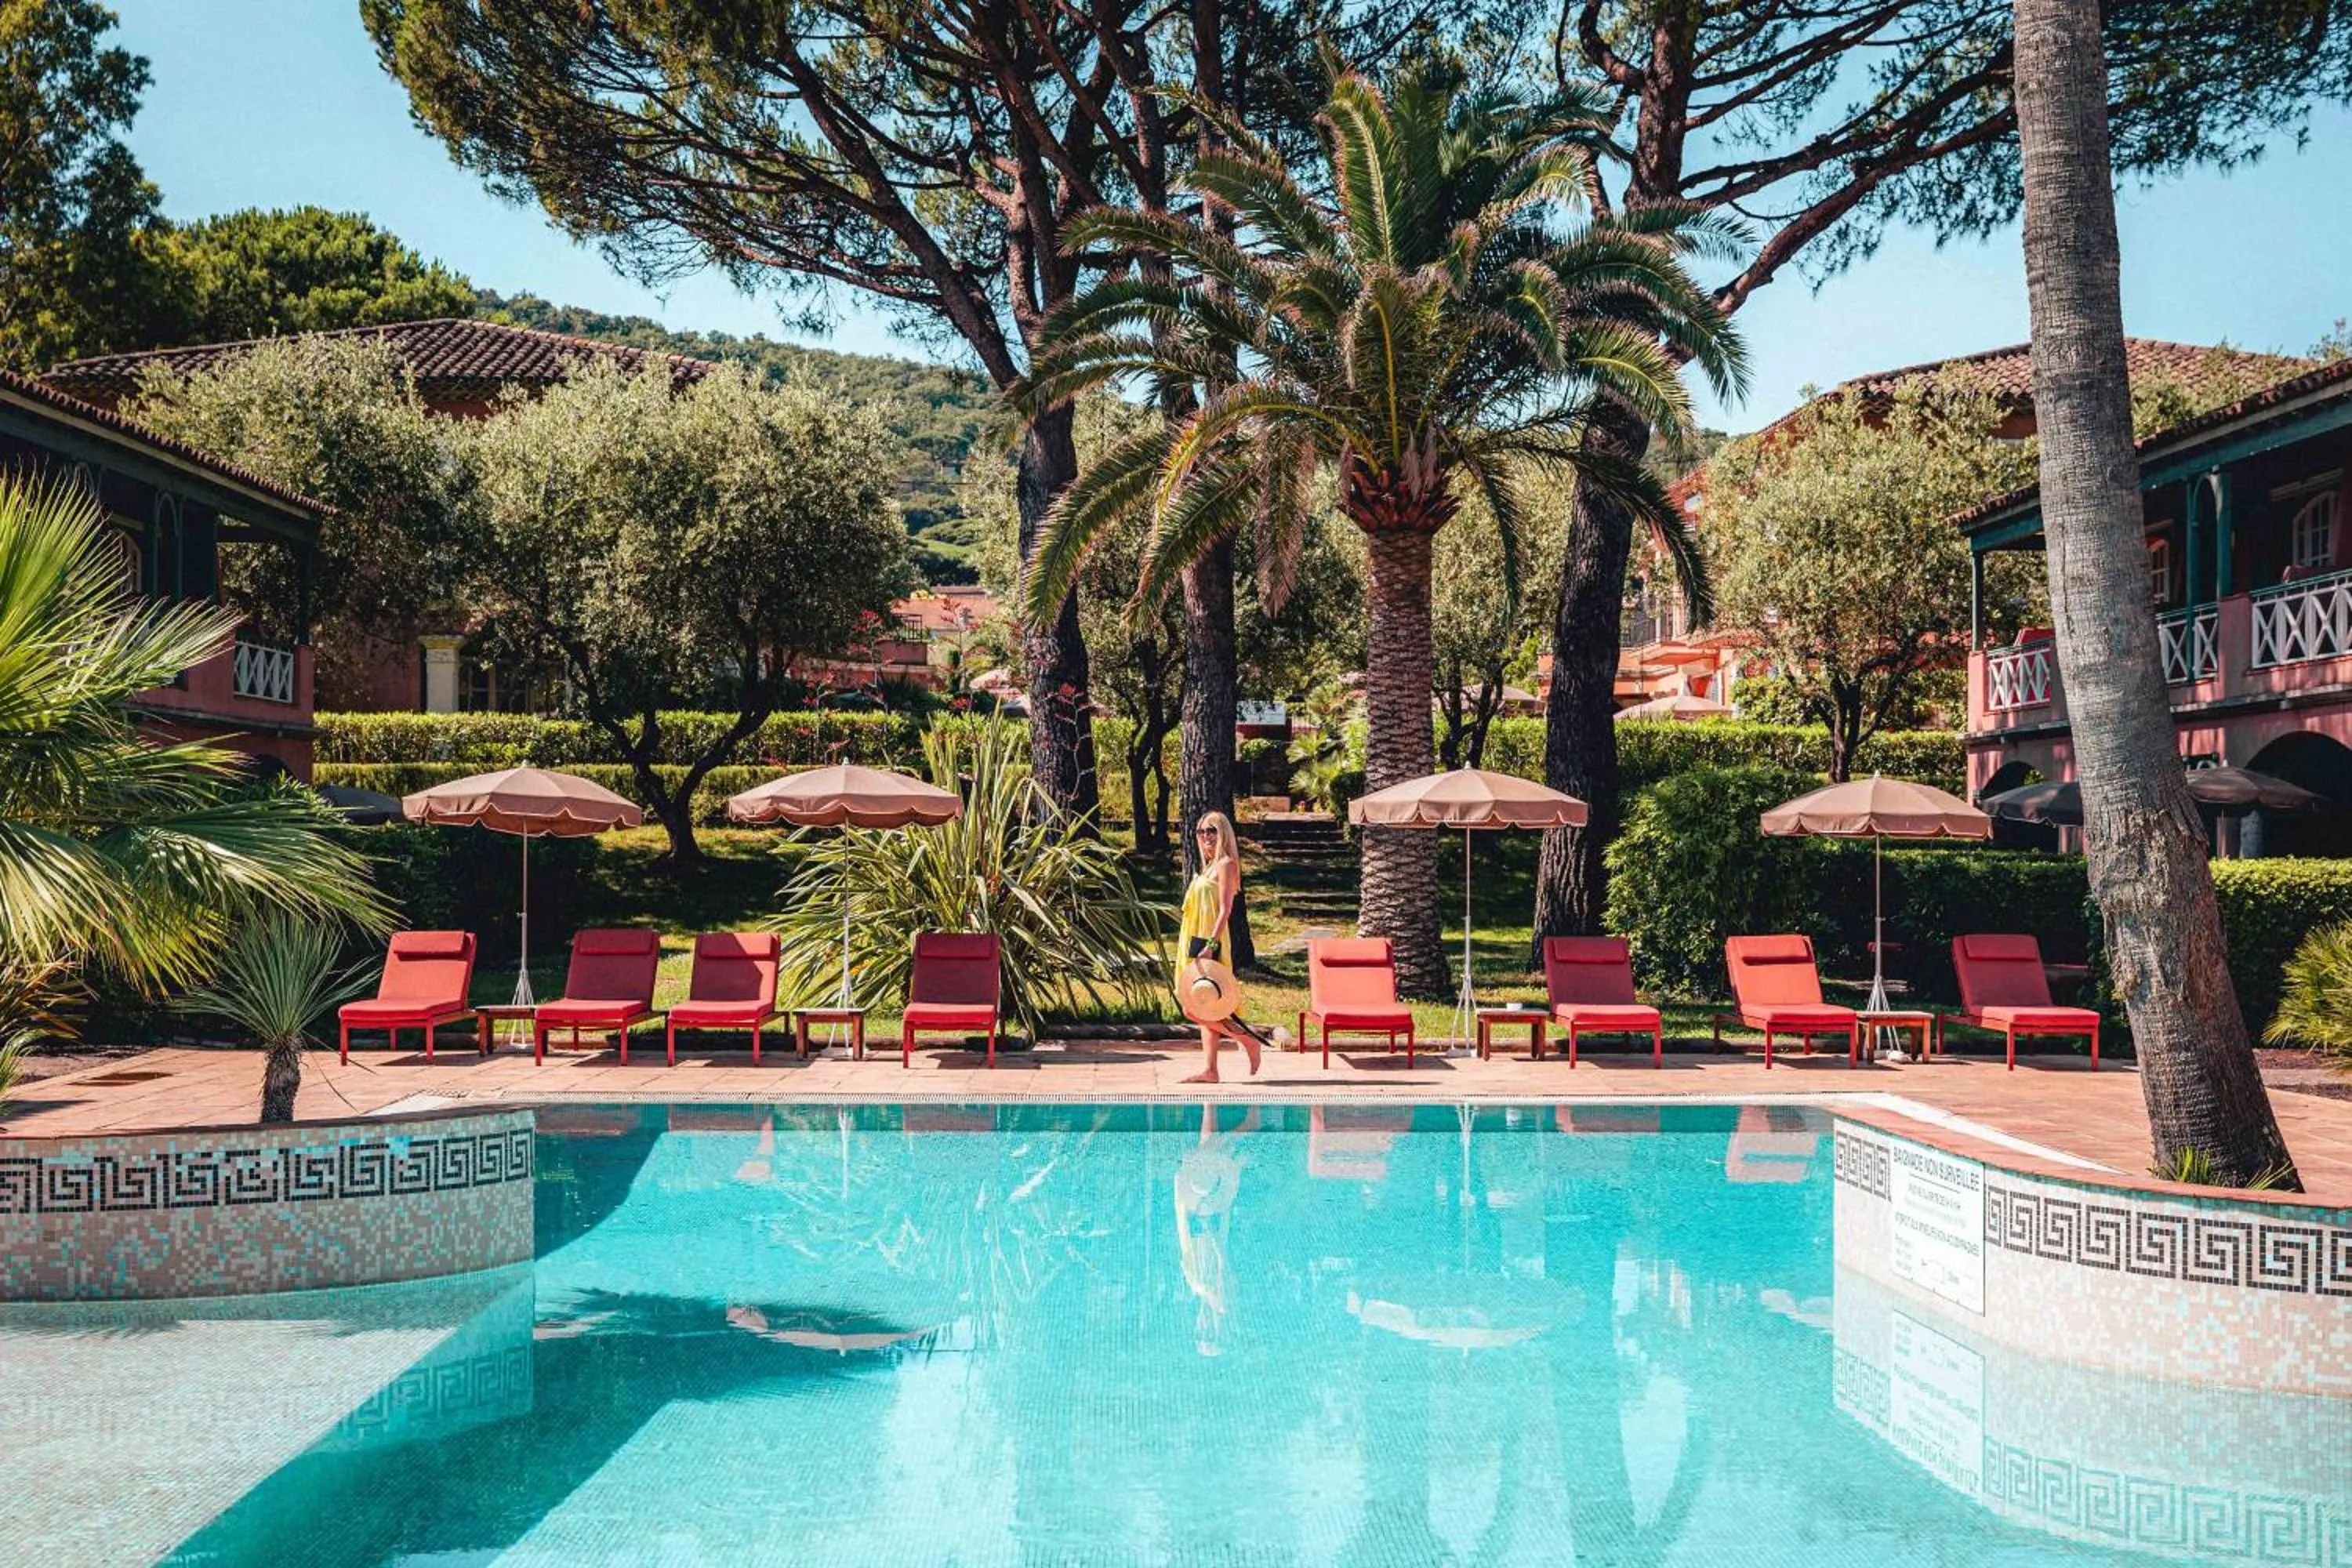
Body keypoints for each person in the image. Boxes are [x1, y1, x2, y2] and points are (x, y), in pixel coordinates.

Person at [1176, 811, 1260, 1083]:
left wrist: (1211, 944)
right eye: (1201, 832)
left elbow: (1226, 910)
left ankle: (1247, 1040)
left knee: (1194, 1007)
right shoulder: (1208, 867)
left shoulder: (1226, 864)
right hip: (1196, 939)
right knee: (1203, 1004)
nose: (1206, 837)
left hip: (1211, 941)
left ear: (1223, 832)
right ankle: (1210, 1070)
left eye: (1211, 831)